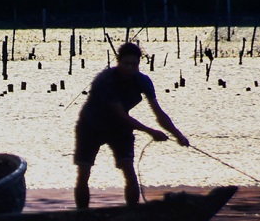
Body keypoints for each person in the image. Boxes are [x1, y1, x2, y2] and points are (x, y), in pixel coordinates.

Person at [74, 41, 188, 209]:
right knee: (84, 171)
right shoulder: (105, 80)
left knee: (128, 168)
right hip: (91, 125)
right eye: (126, 64)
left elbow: (158, 113)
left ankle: (133, 212)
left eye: (134, 64)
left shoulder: (143, 81)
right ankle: (81, 214)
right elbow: (120, 114)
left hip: (119, 128)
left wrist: (178, 135)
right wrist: (150, 132)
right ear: (118, 62)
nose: (129, 68)